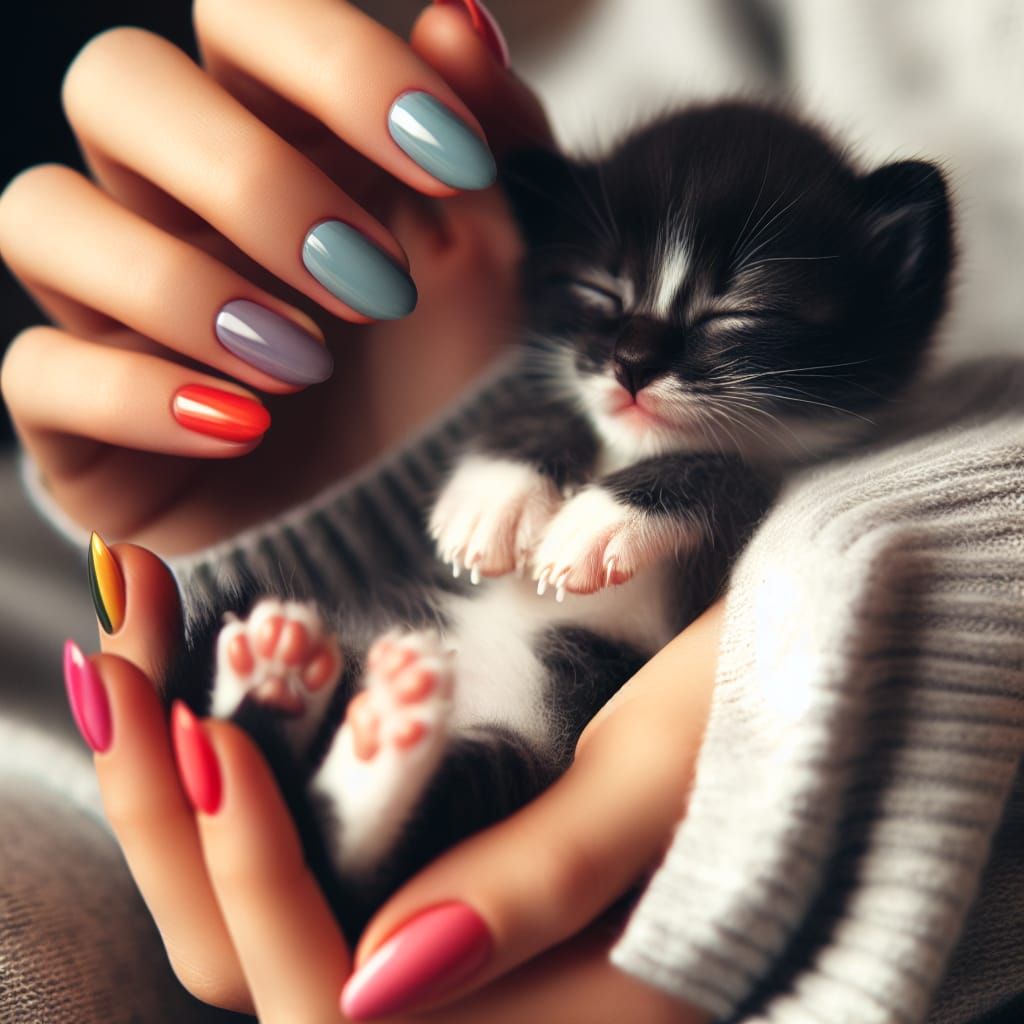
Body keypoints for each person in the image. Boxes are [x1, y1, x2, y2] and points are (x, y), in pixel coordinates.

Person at [2, 2, 1022, 1022]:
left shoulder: (736, 469)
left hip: (551, 704)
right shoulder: (650, 73)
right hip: (449, 647)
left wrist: (911, 611)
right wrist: (339, 510)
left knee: (502, 752)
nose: (634, 359)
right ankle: (318, 750)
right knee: (388, 690)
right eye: (602, 303)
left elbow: (719, 501)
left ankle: (355, 791)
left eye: (732, 318)